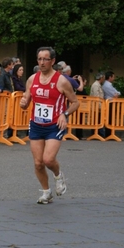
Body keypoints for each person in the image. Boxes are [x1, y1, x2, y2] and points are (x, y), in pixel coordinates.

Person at [19, 46, 79, 204]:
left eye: (45, 59)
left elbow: (75, 103)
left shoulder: (61, 81)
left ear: (52, 61)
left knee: (48, 160)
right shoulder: (32, 79)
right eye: (39, 59)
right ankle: (46, 192)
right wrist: (23, 103)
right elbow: (25, 102)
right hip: (36, 124)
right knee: (38, 163)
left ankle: (59, 176)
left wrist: (64, 114)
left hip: (54, 125)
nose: (42, 62)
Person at [103, 71, 120, 138]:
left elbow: (117, 93)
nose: (114, 78)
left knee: (111, 118)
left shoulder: (108, 84)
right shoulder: (107, 85)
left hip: (110, 102)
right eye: (113, 77)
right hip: (109, 103)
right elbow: (115, 94)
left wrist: (117, 94)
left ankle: (110, 133)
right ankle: (109, 134)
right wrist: (117, 94)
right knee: (110, 118)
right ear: (110, 77)